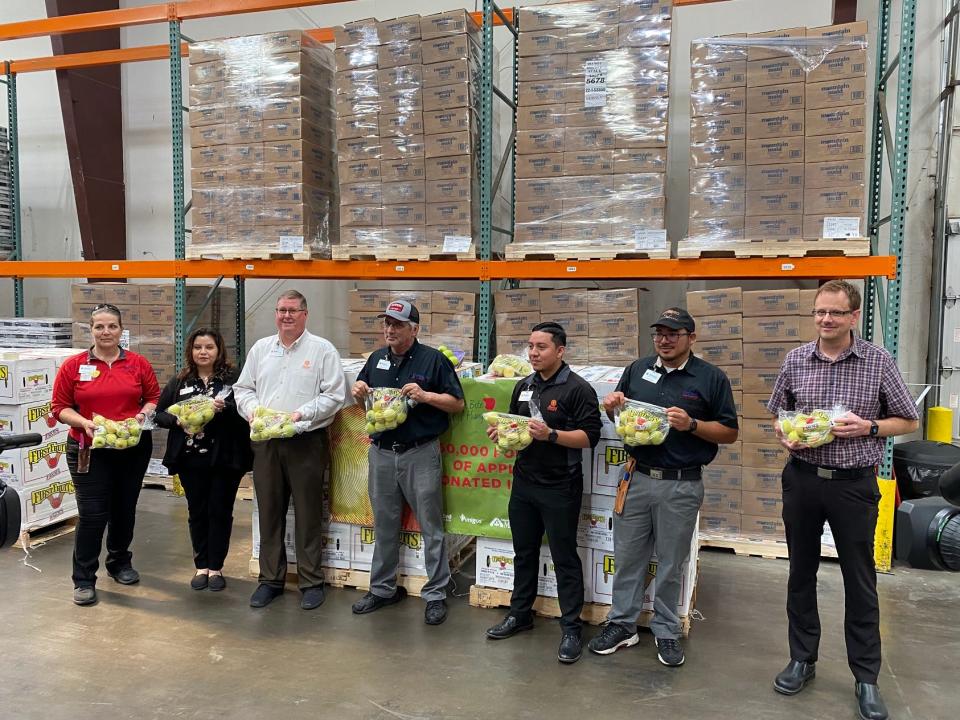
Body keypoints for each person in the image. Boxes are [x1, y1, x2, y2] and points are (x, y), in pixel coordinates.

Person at [767, 280, 918, 720]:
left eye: (834, 313)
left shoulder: (877, 361)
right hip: (803, 479)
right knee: (801, 570)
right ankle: (802, 659)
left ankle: (866, 677)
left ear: (854, 316)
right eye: (819, 312)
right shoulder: (797, 359)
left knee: (859, 576)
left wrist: (868, 428)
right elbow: (778, 413)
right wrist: (785, 434)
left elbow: (907, 420)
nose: (825, 320)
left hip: (854, 484)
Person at [589, 307, 738, 666]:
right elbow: (621, 416)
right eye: (659, 333)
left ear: (691, 337)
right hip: (637, 478)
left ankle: (667, 630)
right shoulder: (638, 369)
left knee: (672, 563)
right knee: (627, 558)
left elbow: (730, 432)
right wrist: (611, 407)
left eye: (673, 333)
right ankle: (622, 624)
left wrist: (691, 425)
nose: (664, 340)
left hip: (680, 485)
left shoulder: (710, 378)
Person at [485, 322, 601, 664]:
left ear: (560, 351)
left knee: (564, 557)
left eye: (541, 347)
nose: (534, 353)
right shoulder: (523, 385)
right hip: (524, 483)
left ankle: (571, 628)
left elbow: (589, 437)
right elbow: (515, 430)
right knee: (523, 552)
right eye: (530, 346)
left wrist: (550, 434)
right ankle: (520, 614)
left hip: (560, 485)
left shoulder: (578, 389)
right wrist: (502, 434)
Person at [350, 299, 465, 625]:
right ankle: (382, 589)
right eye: (387, 323)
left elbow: (456, 403)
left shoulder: (433, 361)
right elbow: (363, 400)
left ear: (414, 328)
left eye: (397, 324)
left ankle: (436, 594)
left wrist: (426, 396)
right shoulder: (376, 359)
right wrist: (358, 391)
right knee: (384, 525)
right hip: (382, 453)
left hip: (419, 453)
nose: (390, 329)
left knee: (431, 526)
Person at [233, 289, 346, 611]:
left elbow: (334, 395)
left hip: (305, 442)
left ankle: (311, 581)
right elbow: (243, 388)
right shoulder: (261, 349)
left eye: (293, 310)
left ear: (305, 314)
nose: (286, 316)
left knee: (309, 513)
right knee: (269, 512)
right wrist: (254, 411)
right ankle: (271, 580)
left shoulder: (322, 350)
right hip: (267, 442)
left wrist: (300, 414)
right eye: (281, 310)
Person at [52, 303, 161, 606]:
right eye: (99, 326)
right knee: (92, 515)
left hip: (131, 448)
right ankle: (84, 579)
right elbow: (60, 408)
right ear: (91, 330)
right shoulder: (74, 366)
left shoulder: (137, 363)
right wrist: (85, 423)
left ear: (121, 330)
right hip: (89, 448)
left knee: (125, 509)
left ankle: (120, 563)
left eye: (112, 326)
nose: (106, 332)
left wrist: (141, 416)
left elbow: (153, 397)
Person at [155, 328, 253, 592]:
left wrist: (226, 409)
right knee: (197, 511)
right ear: (191, 351)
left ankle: (216, 567)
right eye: (198, 347)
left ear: (219, 350)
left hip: (224, 458)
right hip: (190, 460)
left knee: (220, 511)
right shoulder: (180, 381)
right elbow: (159, 414)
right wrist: (179, 420)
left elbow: (248, 410)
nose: (203, 352)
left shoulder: (233, 379)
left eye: (209, 347)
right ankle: (201, 566)